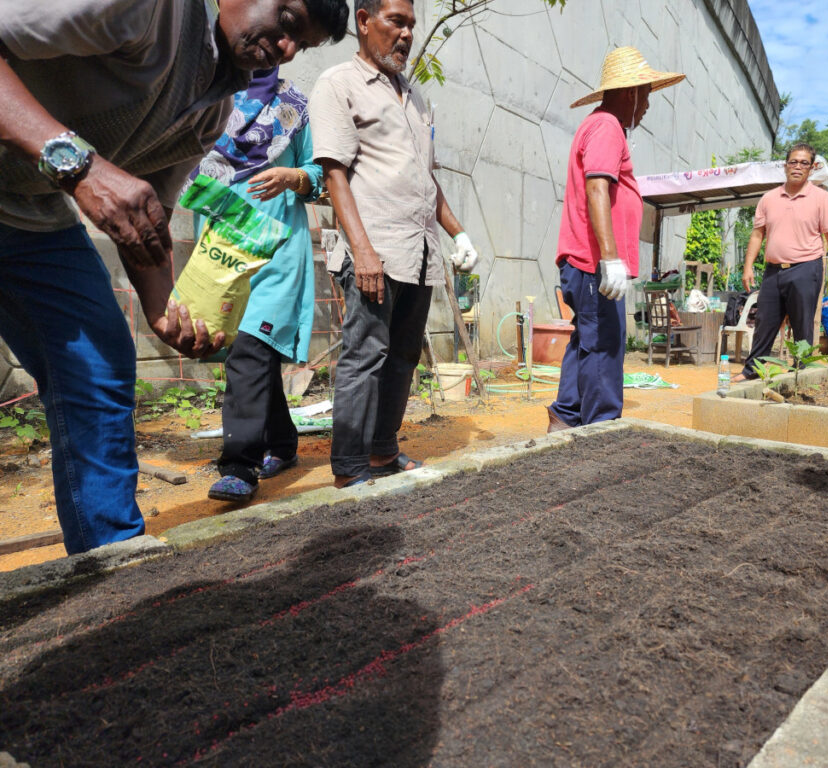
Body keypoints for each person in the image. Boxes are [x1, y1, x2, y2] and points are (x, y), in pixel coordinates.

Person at [0, 0, 348, 554]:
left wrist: (163, 309)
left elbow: (148, 217)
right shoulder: (150, 10)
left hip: (26, 216)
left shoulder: (213, 109)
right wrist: (79, 165)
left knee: (98, 365)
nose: (284, 49)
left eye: (299, 44)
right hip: (34, 195)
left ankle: (113, 563)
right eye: (286, 22)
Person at [309, 0, 480, 489]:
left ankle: (382, 451)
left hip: (419, 252)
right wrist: (362, 251)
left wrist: (458, 232)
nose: (406, 34)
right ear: (364, 22)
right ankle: (350, 468)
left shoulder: (415, 97)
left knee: (404, 357)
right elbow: (334, 174)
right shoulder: (338, 84)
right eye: (396, 22)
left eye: (411, 25)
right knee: (365, 356)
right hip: (376, 251)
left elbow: (426, 179)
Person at [189, 68, 326, 504]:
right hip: (221, 246)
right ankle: (282, 444)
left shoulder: (294, 108)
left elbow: (319, 173)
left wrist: (291, 177)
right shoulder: (205, 97)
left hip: (277, 247)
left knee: (251, 346)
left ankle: (239, 465)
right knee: (248, 351)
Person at [547, 47, 684, 432]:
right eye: (647, 95)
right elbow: (597, 189)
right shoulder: (607, 126)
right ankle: (602, 430)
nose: (648, 106)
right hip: (593, 264)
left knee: (587, 340)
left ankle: (565, 418)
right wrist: (609, 258)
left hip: (585, 263)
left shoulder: (599, 125)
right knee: (605, 345)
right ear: (630, 92)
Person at [733, 143, 828, 382]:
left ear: (811, 168)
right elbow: (757, 234)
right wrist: (748, 266)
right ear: (785, 166)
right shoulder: (769, 198)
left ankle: (801, 373)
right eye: (793, 162)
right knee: (764, 320)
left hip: (806, 268)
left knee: (802, 322)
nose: (797, 167)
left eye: (804, 163)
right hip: (773, 271)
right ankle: (752, 370)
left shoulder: (821, 198)